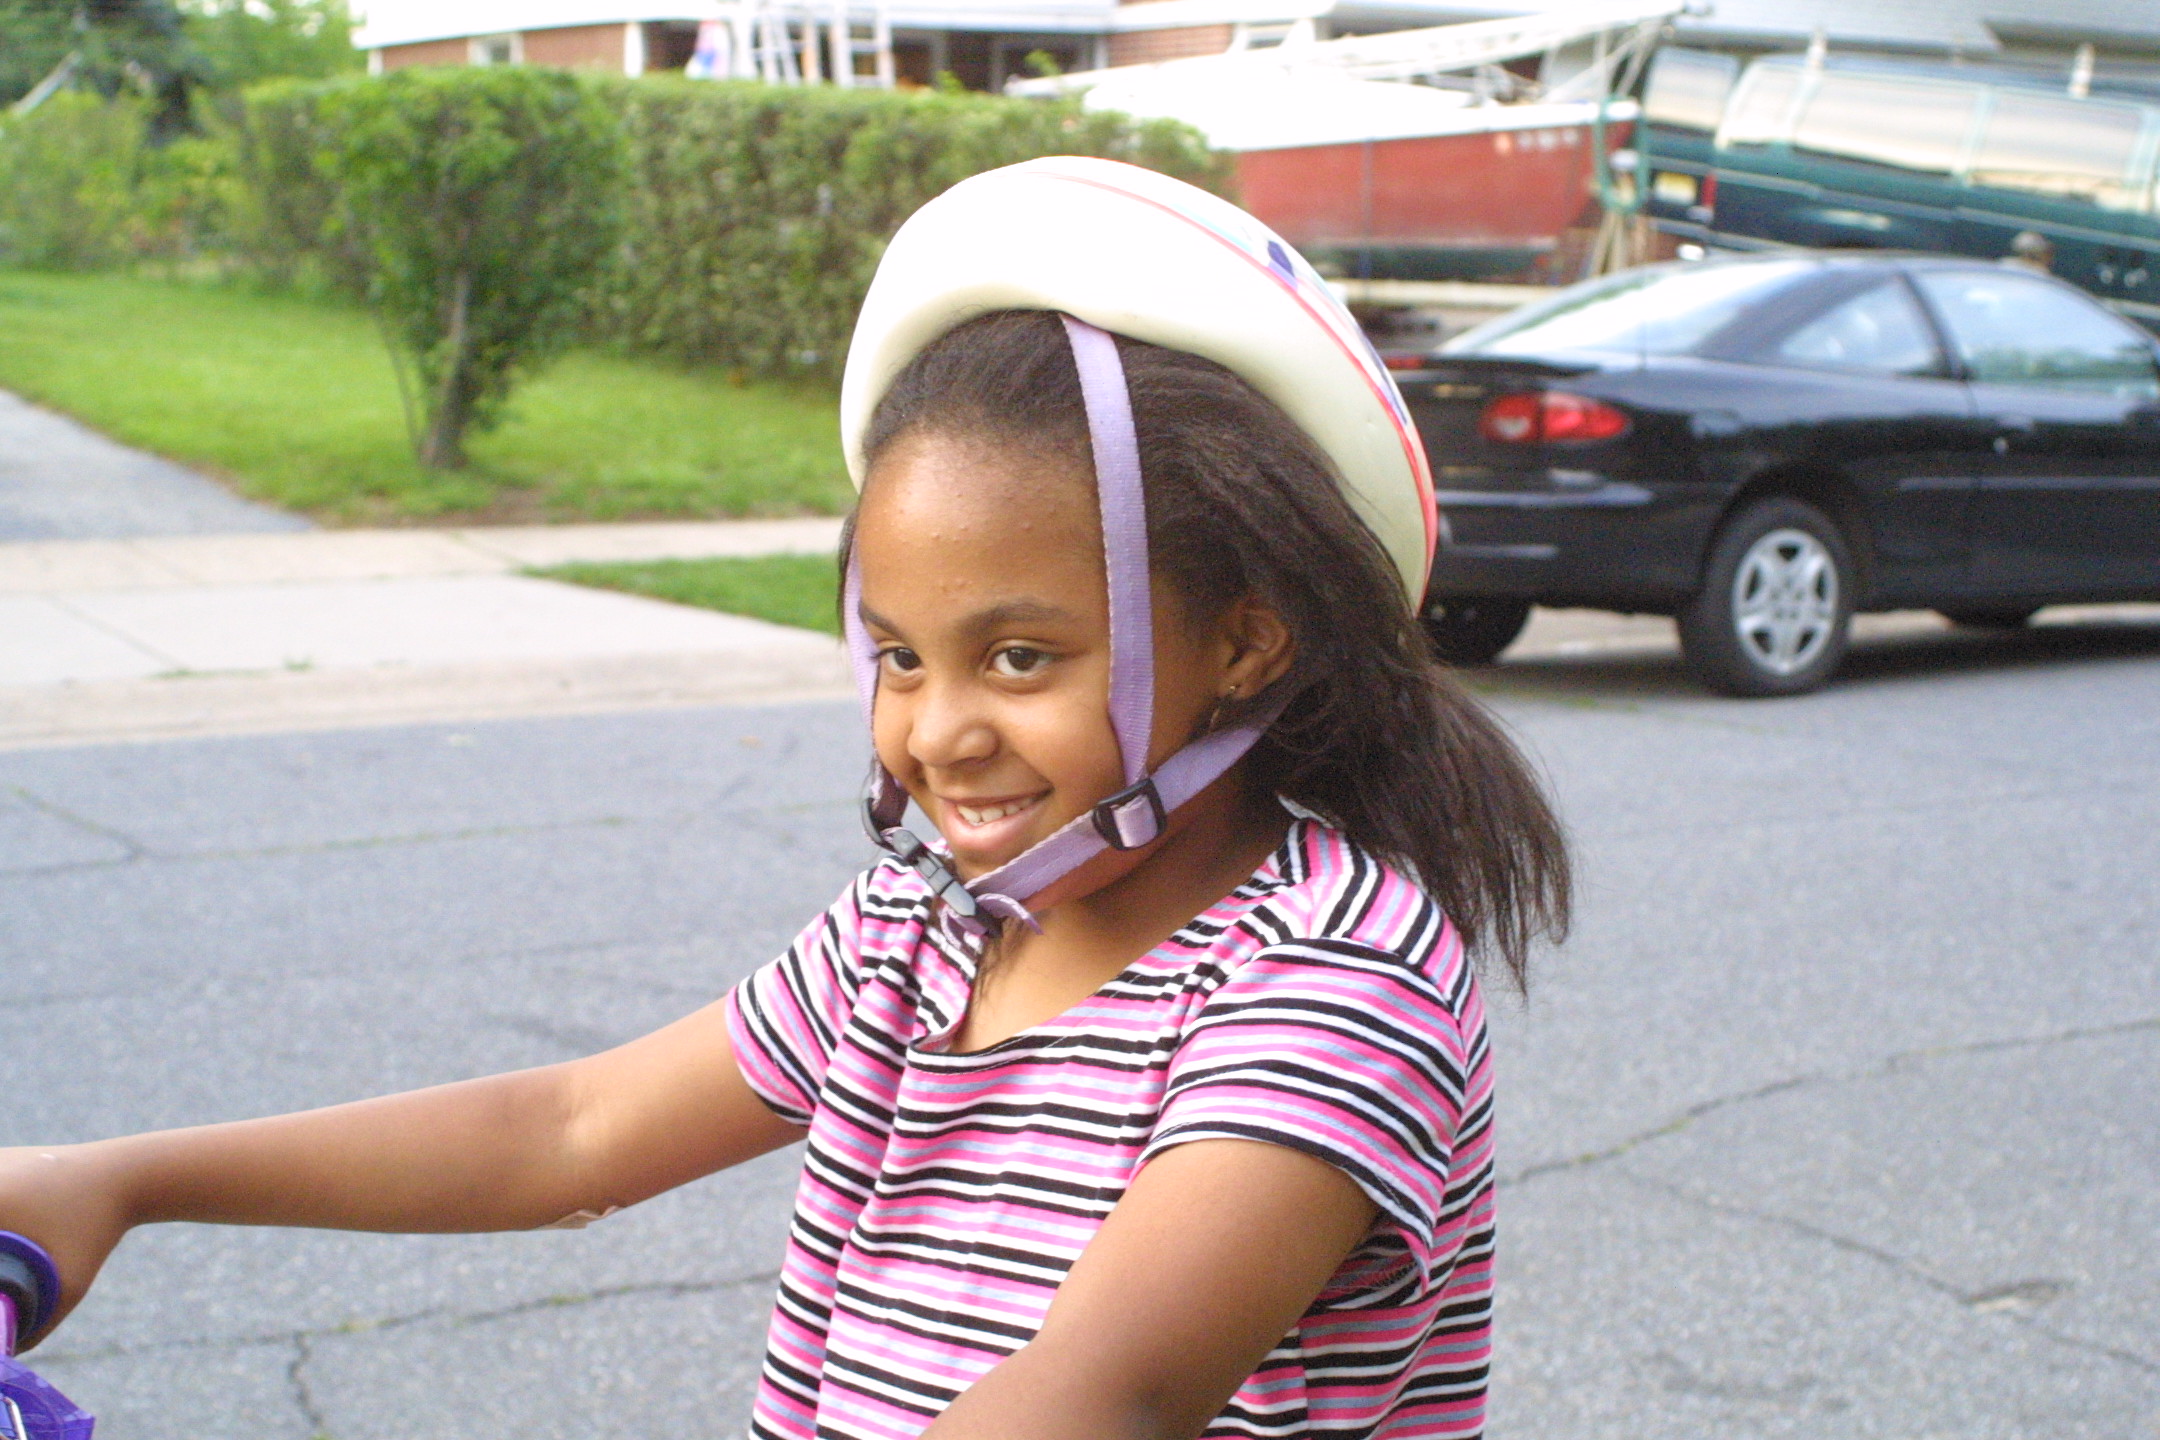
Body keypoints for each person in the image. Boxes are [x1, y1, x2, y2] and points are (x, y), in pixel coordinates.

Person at [0, 159, 1569, 1440]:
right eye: (900, 656)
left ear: (1246, 640)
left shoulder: (1331, 976)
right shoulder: (926, 933)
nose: (937, 733)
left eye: (1020, 657)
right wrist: (121, 1180)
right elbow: (572, 1130)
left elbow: (1111, 1395)